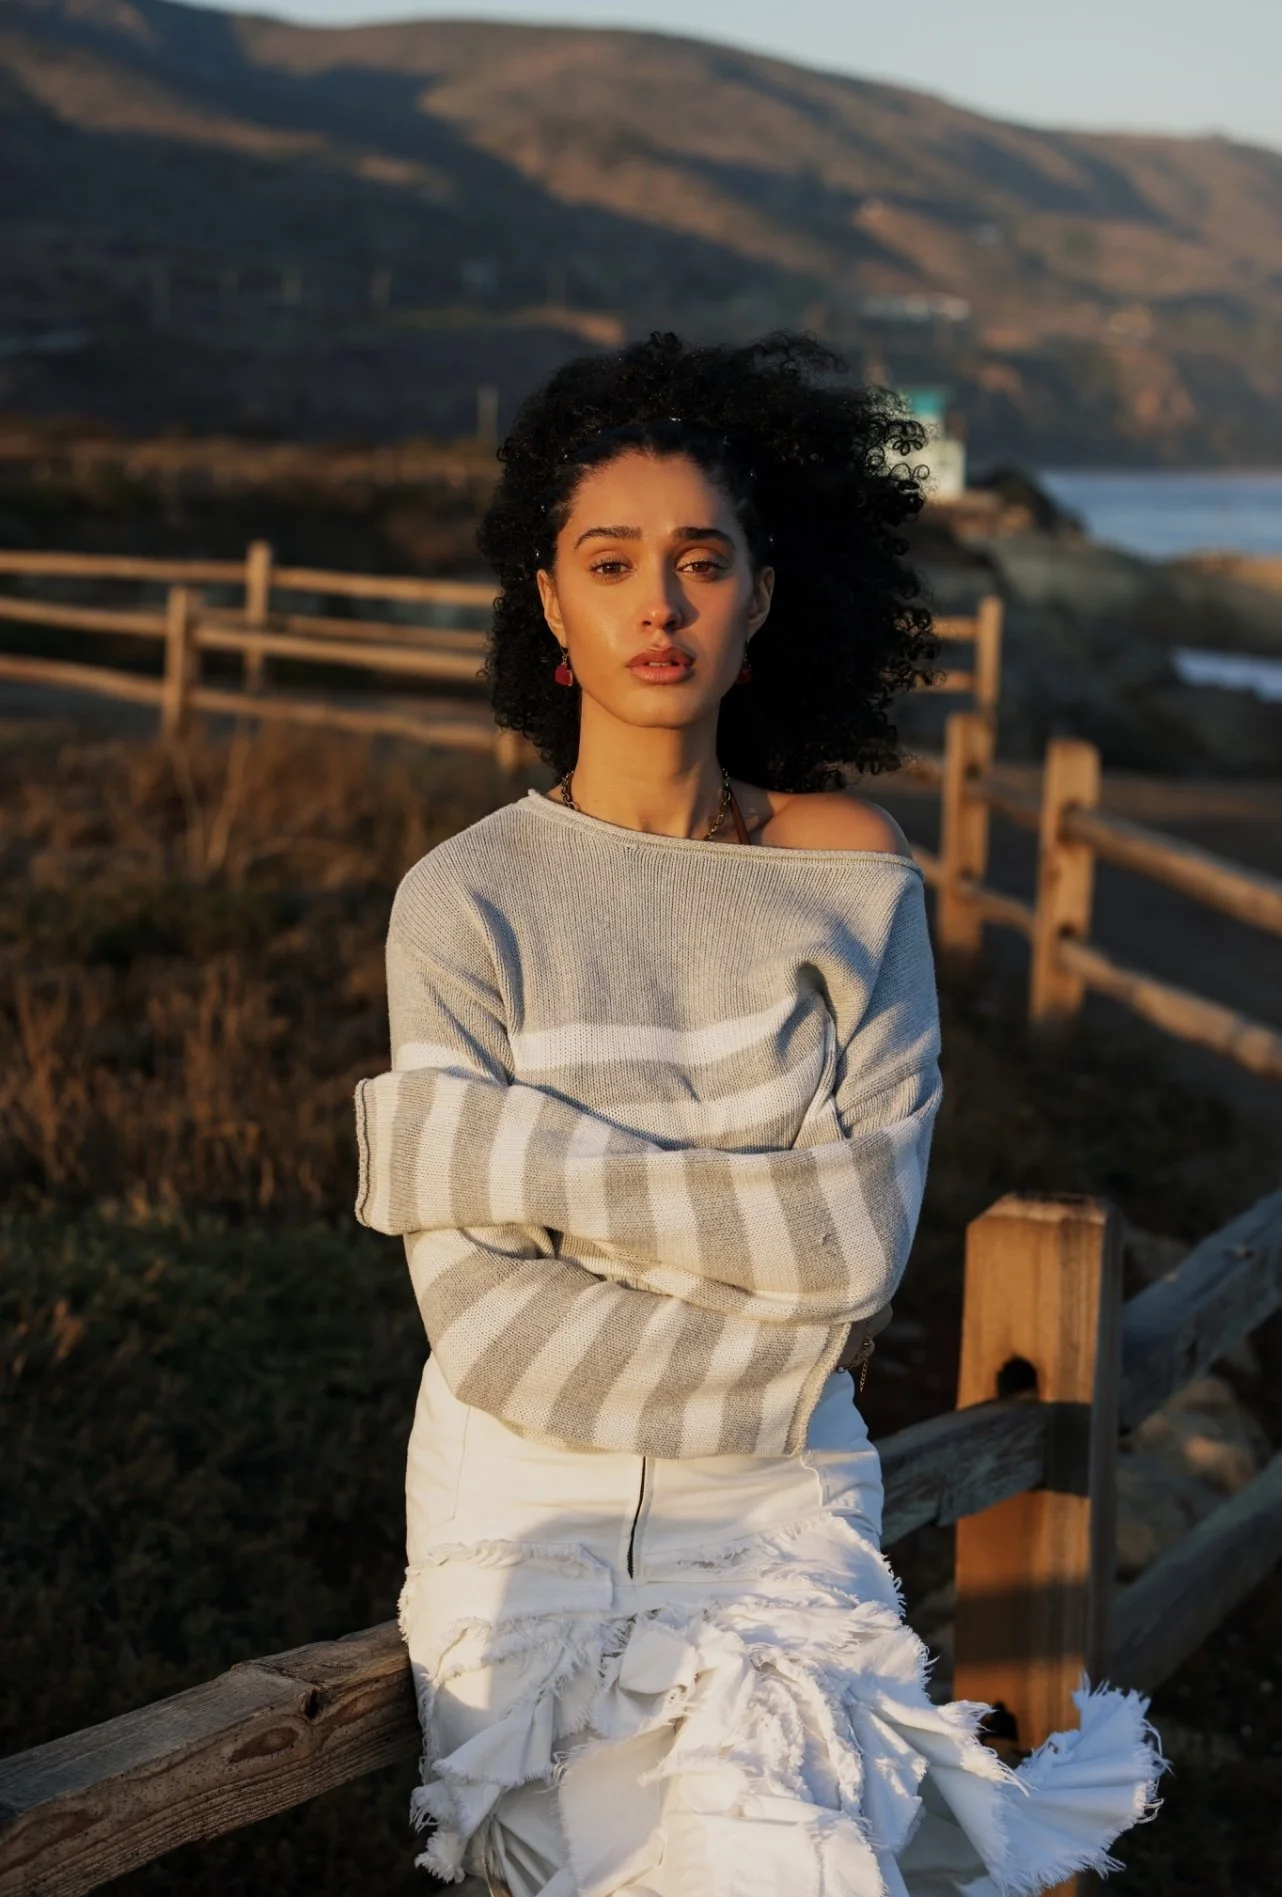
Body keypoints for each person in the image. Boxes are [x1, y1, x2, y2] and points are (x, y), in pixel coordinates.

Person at [354, 333, 1162, 1897]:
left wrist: (508, 1155)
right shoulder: (462, 903)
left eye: (698, 561)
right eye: (610, 563)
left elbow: (853, 1248)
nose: (657, 604)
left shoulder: (845, 875)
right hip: (524, 1516)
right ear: (551, 606)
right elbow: (488, 1326)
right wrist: (766, 1297)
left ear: (761, 597)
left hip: (779, 1512)